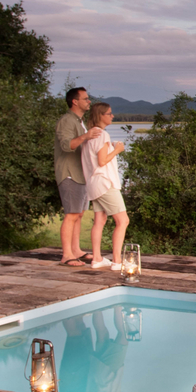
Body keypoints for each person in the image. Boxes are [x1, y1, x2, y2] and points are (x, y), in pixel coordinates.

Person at [79, 102, 130, 269]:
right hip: (104, 183)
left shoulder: (89, 136)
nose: (112, 116)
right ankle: (117, 261)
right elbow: (102, 161)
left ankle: (97, 259)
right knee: (123, 221)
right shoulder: (102, 135)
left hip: (93, 184)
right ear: (101, 115)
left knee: (99, 220)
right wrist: (117, 150)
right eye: (109, 113)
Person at [55, 87, 97, 265]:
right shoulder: (67, 121)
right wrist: (86, 136)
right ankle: (66, 255)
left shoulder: (79, 121)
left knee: (79, 214)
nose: (89, 101)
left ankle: (76, 250)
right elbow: (66, 145)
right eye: (86, 99)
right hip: (70, 174)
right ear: (75, 101)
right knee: (71, 214)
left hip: (80, 174)